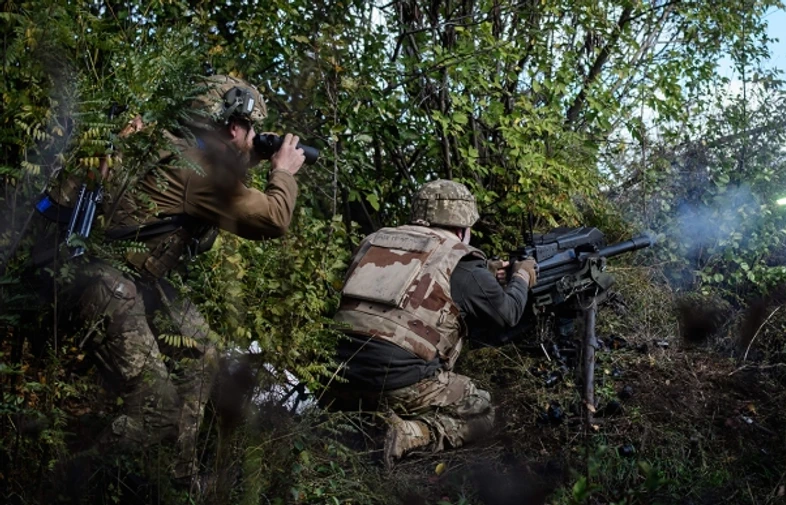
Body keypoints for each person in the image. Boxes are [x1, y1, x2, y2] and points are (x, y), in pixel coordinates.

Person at [60, 75, 307, 482]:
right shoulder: (201, 172)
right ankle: (66, 480)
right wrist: (283, 171)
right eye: (253, 131)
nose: (256, 140)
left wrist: (251, 156)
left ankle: (177, 475)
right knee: (158, 411)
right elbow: (274, 219)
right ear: (233, 127)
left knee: (202, 351)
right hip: (109, 287)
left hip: (122, 277)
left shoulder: (165, 145)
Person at [326, 179, 538, 469]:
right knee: (484, 410)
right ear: (463, 229)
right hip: (396, 382)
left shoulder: (376, 241)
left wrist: (484, 272)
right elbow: (508, 315)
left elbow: (418, 277)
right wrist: (522, 276)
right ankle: (409, 434)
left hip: (335, 376)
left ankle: (350, 416)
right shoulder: (462, 260)